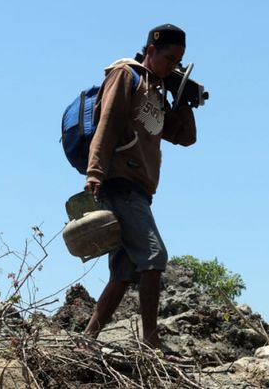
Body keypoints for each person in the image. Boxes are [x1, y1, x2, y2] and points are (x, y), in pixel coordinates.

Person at [82, 24, 197, 353]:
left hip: (140, 189)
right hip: (118, 182)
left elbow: (185, 137)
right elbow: (108, 123)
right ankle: (151, 340)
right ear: (150, 50)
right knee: (154, 255)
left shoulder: (158, 93)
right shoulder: (125, 75)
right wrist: (95, 172)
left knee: (124, 270)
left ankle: (87, 338)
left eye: (179, 61)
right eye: (168, 57)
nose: (172, 65)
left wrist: (184, 98)